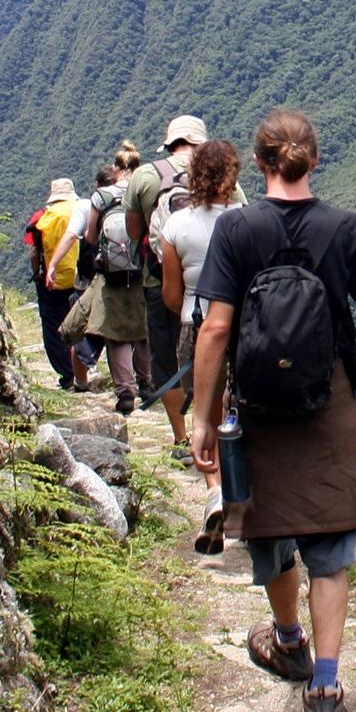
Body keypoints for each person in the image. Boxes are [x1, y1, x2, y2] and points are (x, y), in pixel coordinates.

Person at [190, 110, 356, 712]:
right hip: (326, 401)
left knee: (272, 530)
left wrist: (203, 418)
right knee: (330, 548)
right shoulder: (347, 231)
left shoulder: (235, 229)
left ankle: (287, 641)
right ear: (314, 162)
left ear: (258, 164)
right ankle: (328, 686)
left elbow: (217, 328)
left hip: (255, 404)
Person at [160, 139, 243, 543]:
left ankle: (214, 491)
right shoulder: (248, 220)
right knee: (239, 409)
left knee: (206, 414)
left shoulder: (176, 226)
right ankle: (243, 494)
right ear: (233, 176)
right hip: (245, 326)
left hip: (195, 325)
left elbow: (171, 294)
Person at [125, 116, 218, 436]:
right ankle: (214, 434)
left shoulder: (145, 176)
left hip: (160, 283)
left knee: (166, 362)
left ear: (170, 143)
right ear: (201, 143)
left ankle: (181, 437)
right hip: (214, 290)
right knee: (216, 360)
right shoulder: (222, 176)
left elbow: (134, 232)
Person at [84, 142, 150, 414]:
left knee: (116, 334)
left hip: (111, 273)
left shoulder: (102, 197)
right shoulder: (145, 192)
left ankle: (125, 392)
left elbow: (89, 236)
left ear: (116, 168)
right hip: (143, 271)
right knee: (144, 330)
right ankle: (147, 382)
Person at [27, 178, 88, 391]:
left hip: (51, 281)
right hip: (81, 278)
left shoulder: (41, 217)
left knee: (53, 328)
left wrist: (38, 274)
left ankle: (67, 375)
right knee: (80, 325)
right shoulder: (84, 209)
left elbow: (34, 251)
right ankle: (83, 371)